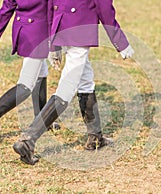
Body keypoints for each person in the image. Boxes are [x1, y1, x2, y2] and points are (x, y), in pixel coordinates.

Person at [12, 0, 135, 165]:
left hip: (60, 26)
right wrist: (121, 42)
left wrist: (52, 43)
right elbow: (104, 8)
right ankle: (28, 140)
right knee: (67, 87)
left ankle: (95, 136)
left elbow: (50, 5)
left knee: (85, 78)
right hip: (80, 27)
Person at [0, 0, 60, 145]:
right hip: (38, 33)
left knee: (41, 71)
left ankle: (40, 121)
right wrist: (54, 44)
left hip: (23, 32)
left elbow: (6, 9)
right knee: (26, 84)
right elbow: (52, 11)